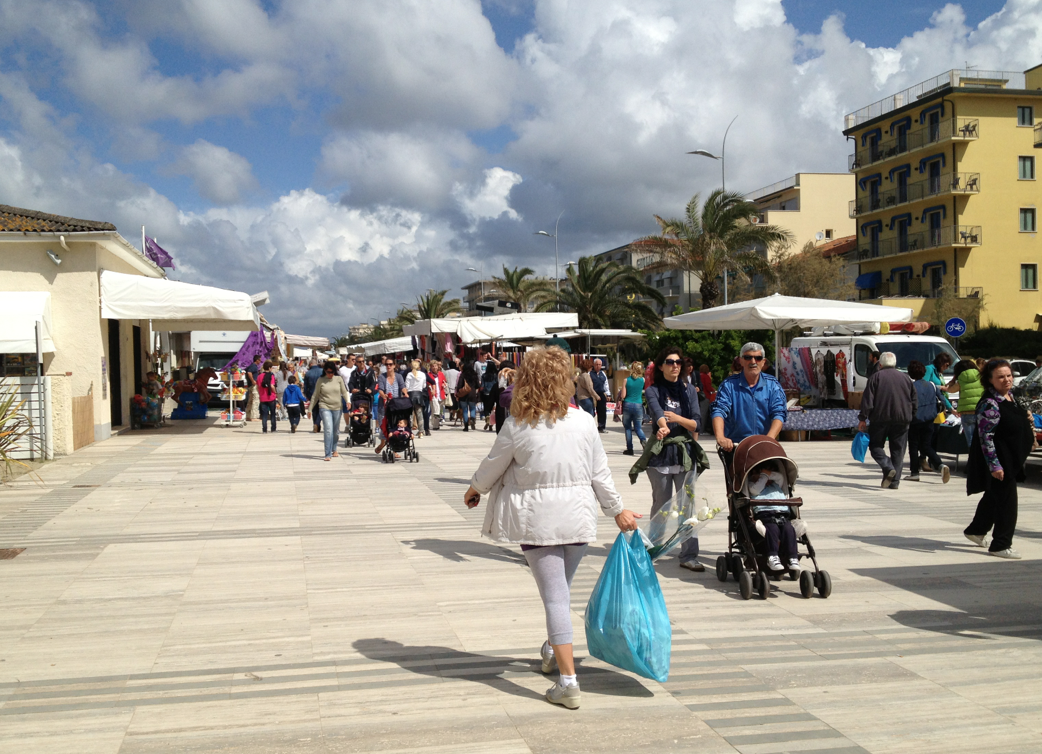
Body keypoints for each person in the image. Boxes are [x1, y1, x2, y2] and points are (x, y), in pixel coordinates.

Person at [463, 347, 640, 710]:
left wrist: (475, 489)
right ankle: (550, 650)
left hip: (536, 522)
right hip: (577, 520)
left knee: (556, 598)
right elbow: (600, 475)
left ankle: (568, 682)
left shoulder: (517, 424)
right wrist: (617, 510)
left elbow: (493, 464)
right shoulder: (585, 422)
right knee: (560, 592)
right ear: (566, 380)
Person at [640, 346, 704, 572]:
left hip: (685, 454)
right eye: (669, 362)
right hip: (661, 455)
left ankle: (688, 554)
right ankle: (653, 549)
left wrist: (678, 418)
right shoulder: (653, 390)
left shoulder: (690, 391)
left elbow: (697, 422)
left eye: (678, 362)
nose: (675, 365)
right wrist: (664, 426)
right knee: (661, 505)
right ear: (660, 366)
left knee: (687, 507)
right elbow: (657, 413)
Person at [964, 359, 1035, 559]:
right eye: (1000, 377)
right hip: (1001, 461)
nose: (1006, 380)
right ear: (990, 380)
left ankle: (976, 530)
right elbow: (986, 438)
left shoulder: (1009, 397)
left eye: (1009, 375)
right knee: (1007, 503)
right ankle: (1001, 544)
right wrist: (994, 465)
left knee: (994, 498)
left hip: (1012, 458)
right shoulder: (990, 403)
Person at [712, 342, 787, 452]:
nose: (753, 362)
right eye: (748, 357)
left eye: (758, 358)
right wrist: (721, 437)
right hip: (735, 446)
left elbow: (779, 413)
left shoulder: (773, 385)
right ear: (741, 361)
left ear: (763, 362)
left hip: (763, 445)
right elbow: (719, 410)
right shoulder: (728, 385)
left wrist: (769, 439)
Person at [857, 351, 917, 489]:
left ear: (881, 363)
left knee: (875, 446)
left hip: (880, 419)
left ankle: (887, 466)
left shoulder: (875, 377)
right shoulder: (906, 378)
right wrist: (911, 415)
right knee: (898, 450)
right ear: (894, 363)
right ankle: (894, 482)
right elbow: (914, 399)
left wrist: (862, 418)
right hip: (902, 419)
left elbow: (868, 401)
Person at [748, 460, 799, 572]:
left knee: (789, 529)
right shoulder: (752, 486)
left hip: (782, 514)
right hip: (765, 514)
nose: (764, 478)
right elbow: (757, 489)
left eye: (769, 474)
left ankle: (792, 557)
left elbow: (780, 477)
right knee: (772, 529)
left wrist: (767, 474)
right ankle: (772, 556)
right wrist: (764, 476)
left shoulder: (776, 484)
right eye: (759, 475)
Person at [906, 360, 951, 484]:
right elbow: (942, 399)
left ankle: (914, 472)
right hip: (930, 420)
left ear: (911, 373)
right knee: (926, 445)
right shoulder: (931, 385)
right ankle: (940, 465)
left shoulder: (910, 386)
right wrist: (950, 409)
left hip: (914, 420)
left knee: (914, 446)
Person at [308, 361, 350, 461]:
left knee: (335, 431)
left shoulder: (338, 379)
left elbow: (344, 391)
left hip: (337, 407)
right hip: (324, 406)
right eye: (328, 372)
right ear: (325, 371)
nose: (330, 374)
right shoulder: (320, 380)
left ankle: (334, 448)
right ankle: (327, 454)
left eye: (332, 372)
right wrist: (310, 409)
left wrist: (348, 401)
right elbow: (315, 395)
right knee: (328, 429)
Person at [947, 359, 983, 446]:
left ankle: (973, 458)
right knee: (982, 440)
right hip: (981, 411)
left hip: (966, 413)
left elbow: (949, 389)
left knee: (971, 441)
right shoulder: (981, 377)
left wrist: (953, 380)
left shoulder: (961, 380)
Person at [619, 360, 647, 456]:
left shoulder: (626, 380)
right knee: (638, 427)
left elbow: (623, 395)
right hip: (638, 404)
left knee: (627, 427)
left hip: (628, 404)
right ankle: (644, 442)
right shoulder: (643, 380)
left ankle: (630, 449)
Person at [457, 358, 482, 431]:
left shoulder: (462, 374)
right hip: (472, 393)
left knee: (465, 410)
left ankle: (466, 426)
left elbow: (459, 385)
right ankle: (473, 418)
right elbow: (478, 385)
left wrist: (458, 393)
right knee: (472, 408)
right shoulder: (475, 375)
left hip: (464, 394)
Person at [405, 359, 427, 436]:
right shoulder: (423, 374)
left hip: (410, 394)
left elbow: (406, 386)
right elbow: (424, 386)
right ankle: (421, 431)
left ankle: (409, 430)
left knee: (409, 414)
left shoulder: (409, 374)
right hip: (419, 394)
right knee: (419, 414)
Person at [257, 360, 278, 433]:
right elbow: (272, 386)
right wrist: (275, 392)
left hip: (263, 397)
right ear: (269, 368)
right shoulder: (271, 375)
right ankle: (273, 428)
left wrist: (260, 394)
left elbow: (258, 387)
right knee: (272, 414)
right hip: (271, 397)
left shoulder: (259, 376)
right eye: (271, 367)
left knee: (264, 415)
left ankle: (264, 429)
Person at [590, 358, 609, 433]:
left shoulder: (603, 373)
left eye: (599, 364)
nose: (598, 366)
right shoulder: (590, 373)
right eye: (596, 364)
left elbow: (606, 384)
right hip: (593, 394)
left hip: (601, 394)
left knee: (602, 411)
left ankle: (601, 427)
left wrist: (608, 394)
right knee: (592, 411)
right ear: (594, 365)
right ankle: (591, 427)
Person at [698, 364, 716, 435]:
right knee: (704, 414)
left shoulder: (698, 376)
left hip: (699, 396)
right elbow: (708, 387)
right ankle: (701, 430)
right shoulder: (706, 377)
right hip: (706, 396)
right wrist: (714, 390)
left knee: (699, 413)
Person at [244, 353, 263, 421]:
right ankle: (254, 416)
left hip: (251, 386)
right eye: (260, 360)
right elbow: (249, 373)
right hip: (253, 385)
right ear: (257, 360)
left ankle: (248, 416)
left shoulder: (251, 366)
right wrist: (253, 381)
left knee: (250, 401)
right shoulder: (253, 366)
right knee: (255, 400)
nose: (260, 362)